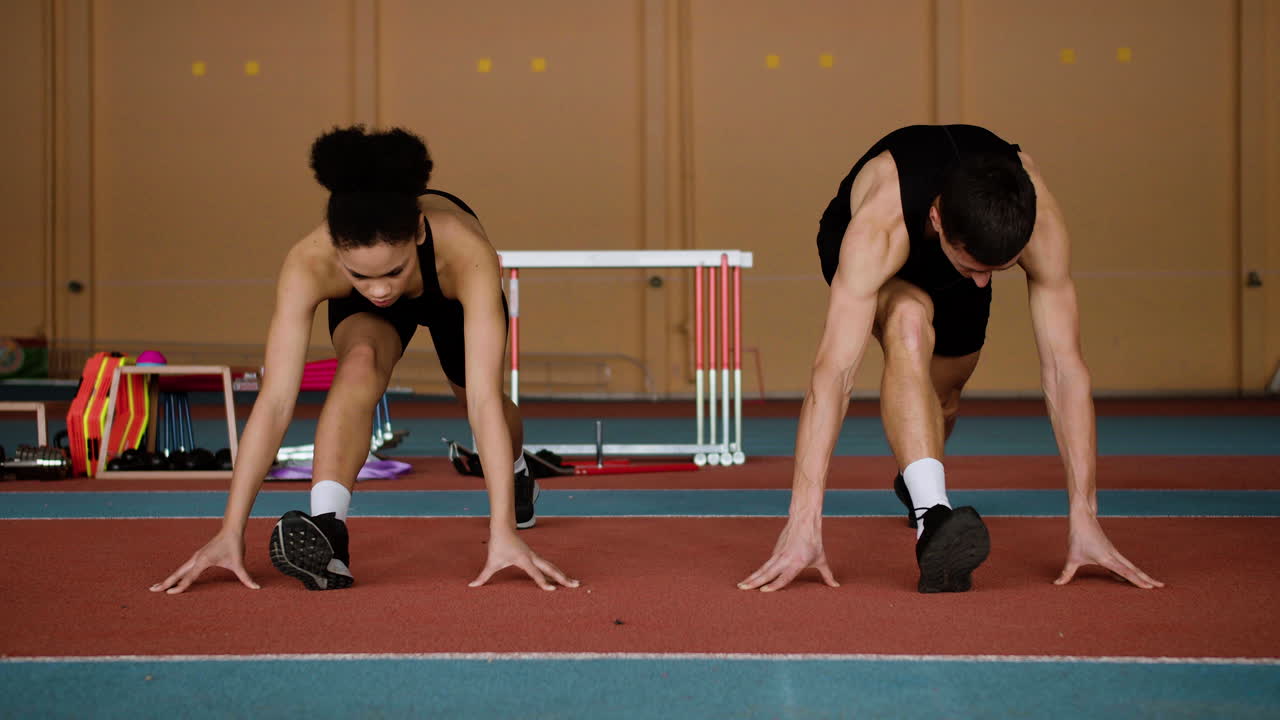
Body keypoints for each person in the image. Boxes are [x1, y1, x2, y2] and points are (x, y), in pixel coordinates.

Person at [151, 126, 577, 593]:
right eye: (360, 276)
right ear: (336, 249)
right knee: (358, 364)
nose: (379, 290)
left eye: (393, 272)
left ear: (416, 233)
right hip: (375, 308)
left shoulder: (467, 254)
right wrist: (228, 532)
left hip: (447, 291)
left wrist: (503, 534)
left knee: (471, 392)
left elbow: (481, 404)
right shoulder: (307, 263)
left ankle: (518, 476)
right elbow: (273, 405)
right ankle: (329, 531)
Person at [739, 124, 1163, 593]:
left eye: (995, 273)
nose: (984, 284)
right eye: (975, 270)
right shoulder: (878, 226)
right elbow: (834, 373)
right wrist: (803, 521)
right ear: (938, 219)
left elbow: (1066, 369)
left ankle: (915, 476)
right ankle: (933, 517)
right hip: (883, 254)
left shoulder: (1036, 220)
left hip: (958, 250)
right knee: (908, 324)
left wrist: (1085, 517)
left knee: (943, 400)